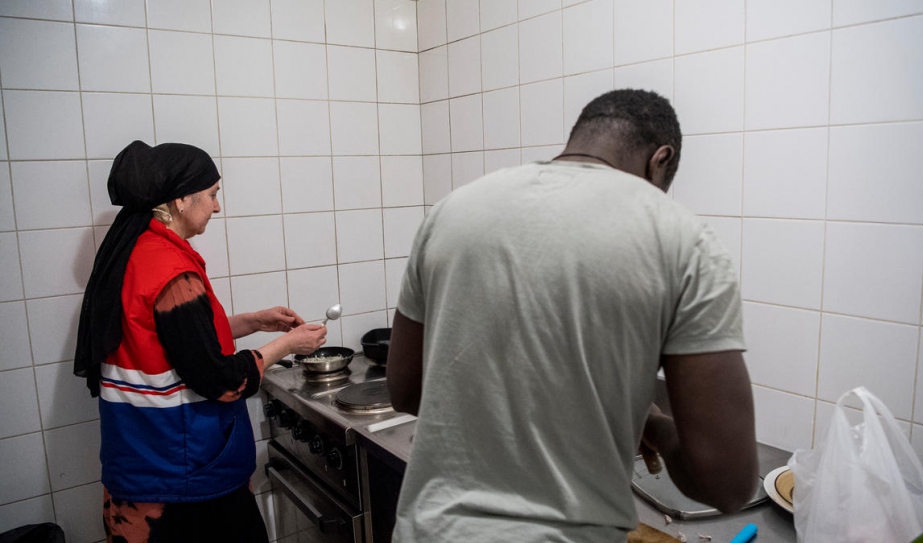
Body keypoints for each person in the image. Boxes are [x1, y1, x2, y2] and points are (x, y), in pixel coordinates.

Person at [386, 89, 758, 542]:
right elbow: (727, 481)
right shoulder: (684, 239)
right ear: (660, 160)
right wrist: (656, 427)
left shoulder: (452, 210)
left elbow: (405, 391)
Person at [73, 140, 328, 543]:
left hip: (142, 461)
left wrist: (253, 321)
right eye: (212, 195)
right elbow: (222, 380)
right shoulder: (171, 269)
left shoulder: (139, 250)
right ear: (180, 200)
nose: (217, 206)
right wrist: (288, 345)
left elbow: (174, 338)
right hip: (183, 477)